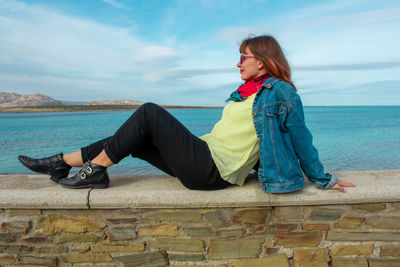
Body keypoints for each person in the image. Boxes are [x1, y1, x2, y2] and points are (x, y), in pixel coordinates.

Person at [18, 35, 355, 193]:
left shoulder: (281, 93)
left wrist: (324, 178)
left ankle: (93, 171)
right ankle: (61, 162)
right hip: (203, 155)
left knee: (149, 112)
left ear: (263, 61)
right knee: (132, 137)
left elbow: (301, 140)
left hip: (213, 171)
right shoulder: (241, 93)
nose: (238, 63)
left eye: (244, 57)